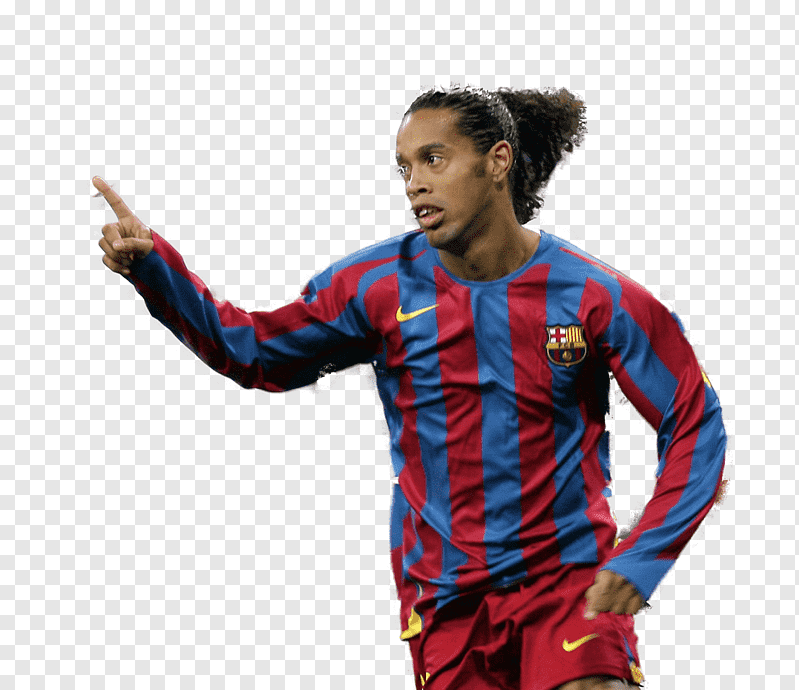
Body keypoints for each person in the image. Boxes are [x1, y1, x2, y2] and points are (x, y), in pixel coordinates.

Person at [94, 86, 726, 690]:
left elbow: (693, 420)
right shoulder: (375, 287)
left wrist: (646, 553)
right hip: (446, 600)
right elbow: (255, 353)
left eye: (433, 159)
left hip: (567, 584)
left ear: (497, 161)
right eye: (404, 167)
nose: (414, 183)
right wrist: (153, 268)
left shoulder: (594, 294)